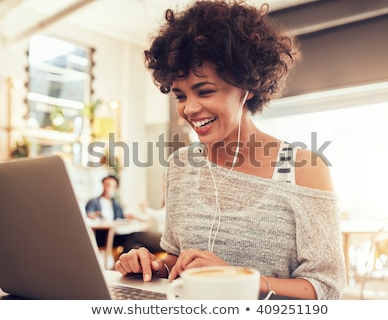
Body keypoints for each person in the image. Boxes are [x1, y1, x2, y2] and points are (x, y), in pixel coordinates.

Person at [115, 0, 346, 299]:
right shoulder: (180, 166)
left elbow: (326, 288)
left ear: (248, 86)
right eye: (181, 95)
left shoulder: (303, 167)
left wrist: (237, 279)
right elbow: (177, 261)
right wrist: (152, 266)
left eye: (205, 91)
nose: (190, 109)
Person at [85, 175, 138, 253]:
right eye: (106, 185)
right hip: (99, 236)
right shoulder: (93, 201)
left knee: (133, 237)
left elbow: (121, 218)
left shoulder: (116, 204)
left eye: (111, 186)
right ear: (102, 185)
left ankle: (120, 261)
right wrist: (94, 216)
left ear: (115, 188)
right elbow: (88, 215)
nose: (108, 188)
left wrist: (127, 218)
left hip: (114, 234)